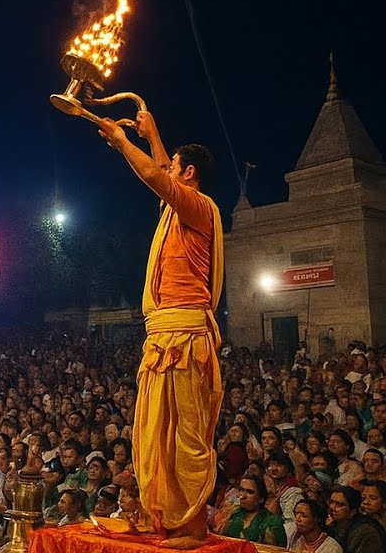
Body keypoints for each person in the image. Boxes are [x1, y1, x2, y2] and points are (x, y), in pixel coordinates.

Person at [95, 110, 224, 549]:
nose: (165, 168)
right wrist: (153, 135)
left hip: (186, 337)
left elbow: (156, 178)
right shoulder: (176, 211)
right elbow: (162, 178)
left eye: (173, 165)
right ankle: (167, 516)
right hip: (163, 336)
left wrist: (120, 142)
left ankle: (192, 525)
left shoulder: (199, 206)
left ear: (189, 173)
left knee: (187, 436)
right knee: (157, 435)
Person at [222, 475, 287, 546]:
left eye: (250, 492)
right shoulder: (235, 516)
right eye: (241, 490)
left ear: (261, 498)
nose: (243, 496)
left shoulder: (273, 522)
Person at [328, 486, 386, 553]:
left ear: (352, 512)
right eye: (331, 502)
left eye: (339, 504)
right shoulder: (330, 526)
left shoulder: (366, 532)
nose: (332, 507)